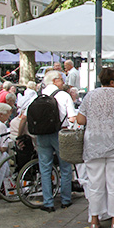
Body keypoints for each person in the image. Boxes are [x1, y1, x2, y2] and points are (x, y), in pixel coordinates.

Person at [76, 67, 114, 228]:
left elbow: (80, 120)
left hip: (93, 144)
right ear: (112, 82)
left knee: (95, 183)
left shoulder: (90, 96)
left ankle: (94, 219)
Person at [31, 70, 76, 213]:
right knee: (65, 166)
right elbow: (72, 117)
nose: (63, 82)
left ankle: (48, 202)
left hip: (42, 134)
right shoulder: (63, 95)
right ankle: (65, 200)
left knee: (45, 167)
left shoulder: (38, 95)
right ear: (55, 80)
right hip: (60, 134)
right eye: (61, 79)